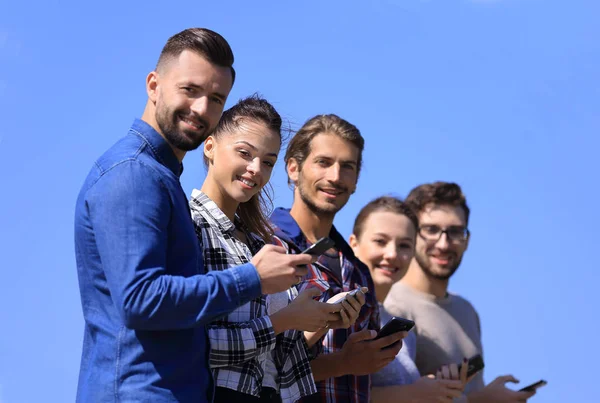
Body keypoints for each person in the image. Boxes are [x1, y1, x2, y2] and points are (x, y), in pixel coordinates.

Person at [74, 28, 313, 403]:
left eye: (216, 98)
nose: (202, 109)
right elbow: (141, 299)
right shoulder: (135, 173)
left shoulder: (160, 177)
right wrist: (252, 278)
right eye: (190, 90)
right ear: (154, 85)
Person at [189, 95, 363, 403]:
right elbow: (194, 346)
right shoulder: (189, 225)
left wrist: (319, 318)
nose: (256, 169)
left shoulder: (260, 242)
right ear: (210, 146)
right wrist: (286, 320)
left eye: (267, 161)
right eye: (245, 153)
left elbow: (274, 364)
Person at [270, 114, 406, 403]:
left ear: (356, 181)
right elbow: (257, 365)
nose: (335, 176)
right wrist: (344, 363)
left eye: (347, 167)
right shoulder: (266, 247)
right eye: (323, 162)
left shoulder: (358, 272)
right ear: (293, 168)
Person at [384, 182, 536, 402]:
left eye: (455, 231)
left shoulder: (466, 310)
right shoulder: (394, 305)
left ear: (467, 240)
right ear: (411, 234)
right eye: (431, 230)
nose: (444, 243)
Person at [349, 196, 471, 403]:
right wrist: (413, 393)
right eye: (380, 241)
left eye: (404, 245)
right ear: (354, 243)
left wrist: (434, 388)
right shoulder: (342, 310)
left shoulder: (402, 331)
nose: (392, 254)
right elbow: (323, 388)